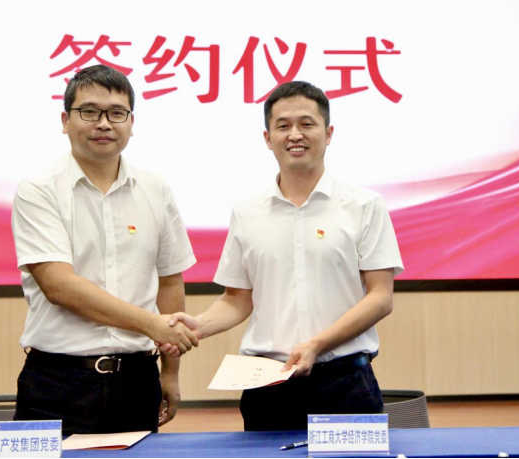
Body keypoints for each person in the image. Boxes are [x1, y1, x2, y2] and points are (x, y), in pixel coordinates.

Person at [160, 81, 404, 431]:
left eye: (307, 124)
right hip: (267, 386)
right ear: (267, 137)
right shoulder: (247, 213)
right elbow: (237, 300)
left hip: (345, 384)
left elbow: (381, 297)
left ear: (328, 133)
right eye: (283, 126)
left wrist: (318, 344)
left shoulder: (365, 205)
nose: (295, 135)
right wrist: (201, 325)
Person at [11, 64, 198, 435]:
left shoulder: (155, 189)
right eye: (89, 112)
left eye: (116, 113)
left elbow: (170, 281)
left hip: (138, 380)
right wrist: (151, 325)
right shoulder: (38, 189)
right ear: (65, 120)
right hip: (59, 382)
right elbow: (59, 286)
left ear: (131, 122)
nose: (103, 124)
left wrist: (170, 372)